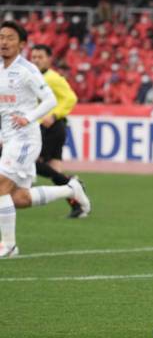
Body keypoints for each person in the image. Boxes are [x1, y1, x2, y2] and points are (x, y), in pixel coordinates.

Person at [0, 21, 90, 258]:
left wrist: (28, 118)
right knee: (17, 198)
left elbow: (49, 100)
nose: (4, 42)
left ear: (21, 44)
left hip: (25, 138)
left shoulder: (28, 70)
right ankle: (71, 189)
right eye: (1, 37)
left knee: (0, 186)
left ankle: (8, 246)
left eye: (9, 38)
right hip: (9, 139)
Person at [30, 44, 88, 219]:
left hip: (52, 127)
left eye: (40, 57)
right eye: (34, 57)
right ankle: (77, 205)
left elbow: (71, 98)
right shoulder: (35, 77)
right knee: (55, 168)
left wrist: (54, 116)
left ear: (49, 59)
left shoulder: (53, 78)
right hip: (51, 128)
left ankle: (73, 184)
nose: (36, 60)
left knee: (33, 162)